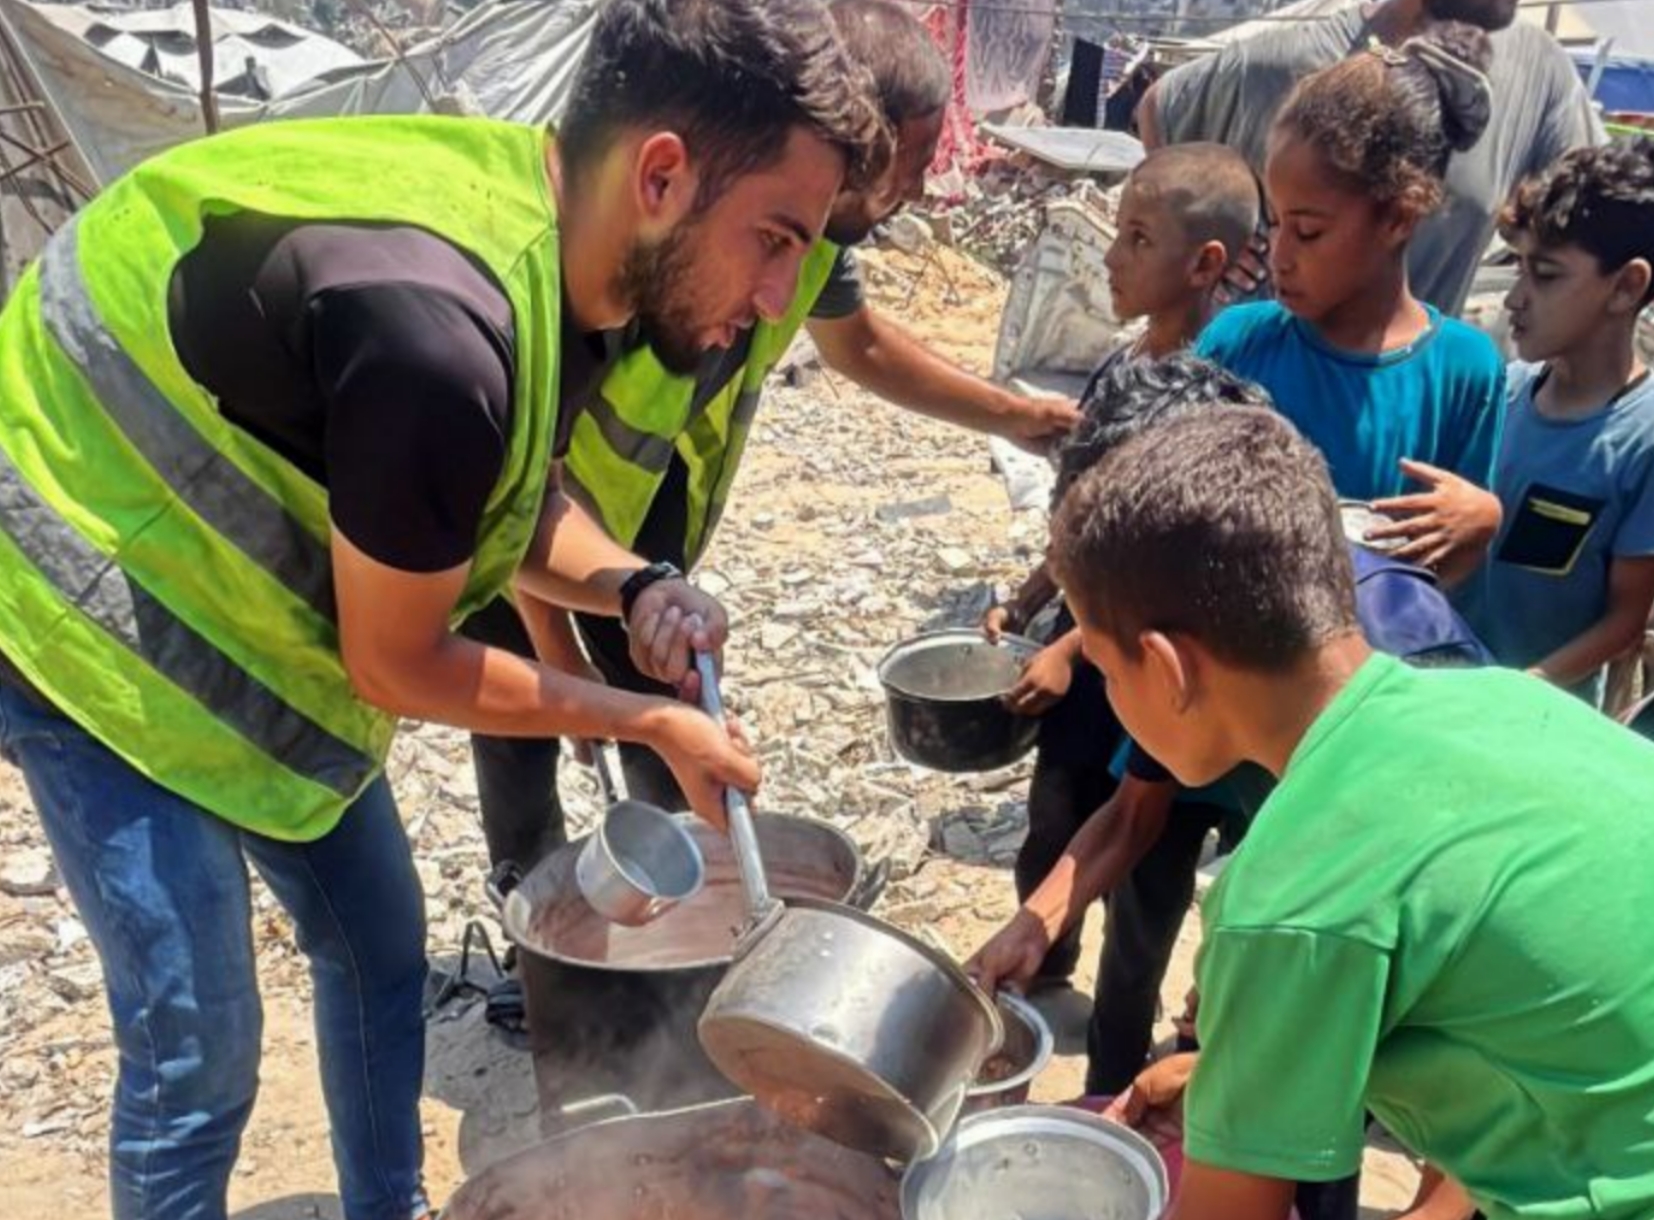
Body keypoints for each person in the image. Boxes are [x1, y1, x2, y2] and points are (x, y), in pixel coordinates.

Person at [0, 0, 888, 1214]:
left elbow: (513, 492)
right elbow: (399, 662)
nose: (784, 290)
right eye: (776, 237)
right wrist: (644, 724)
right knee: (195, 1043)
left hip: (250, 589)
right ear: (665, 175)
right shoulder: (439, 337)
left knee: (376, 945)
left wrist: (634, 583)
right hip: (85, 572)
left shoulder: (573, 255)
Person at [473, 0, 1082, 885]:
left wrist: (1014, 417)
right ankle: (541, 934)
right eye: (904, 163)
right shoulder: (659, 257)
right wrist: (576, 684)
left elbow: (860, 345)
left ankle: (674, 912)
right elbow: (525, 508)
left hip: (646, 516)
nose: (910, 190)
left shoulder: (811, 249)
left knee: (663, 714)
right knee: (523, 720)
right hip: (533, 524)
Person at [1053, 407, 1654, 1220]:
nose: (1110, 696)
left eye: (1102, 669)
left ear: (1166, 668)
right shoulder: (1510, 704)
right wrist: (1237, 1073)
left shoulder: (1292, 891)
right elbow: (1570, 1032)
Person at [969, 355, 1489, 1220]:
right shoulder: (1262, 652)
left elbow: (1482, 1089)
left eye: (1103, 660)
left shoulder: (1356, 818)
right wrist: (1037, 924)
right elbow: (1135, 810)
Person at [980, 145, 1259, 991]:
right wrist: (1032, 597)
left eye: (1137, 238)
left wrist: (1069, 653)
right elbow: (1081, 507)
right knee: (1056, 814)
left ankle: (1119, 1033)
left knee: (1147, 860)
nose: (1109, 256)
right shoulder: (1121, 364)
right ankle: (1044, 966)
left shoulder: (1209, 391)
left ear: (1205, 262)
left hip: (1158, 649)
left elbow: (1168, 554)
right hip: (1088, 621)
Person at [1193, 24, 1507, 587]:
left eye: (1308, 232)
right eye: (1276, 222)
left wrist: (1482, 521)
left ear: (1399, 218)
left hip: (1376, 662)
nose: (1279, 255)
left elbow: (1447, 577)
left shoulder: (1464, 371)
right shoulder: (1236, 342)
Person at [1139, 0, 1600, 317]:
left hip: (1408, 404)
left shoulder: (1537, 70)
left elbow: (1586, 206)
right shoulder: (1284, 61)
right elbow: (1159, 106)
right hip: (1252, 388)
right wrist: (1209, 222)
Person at [1461, 138, 1654, 705]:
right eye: (1517, 270)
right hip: (1445, 689)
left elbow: (1624, 620)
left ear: (1626, 287)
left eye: (1545, 276)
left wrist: (1520, 693)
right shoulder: (1505, 392)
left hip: (1538, 719)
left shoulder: (1640, 439)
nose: (1515, 299)